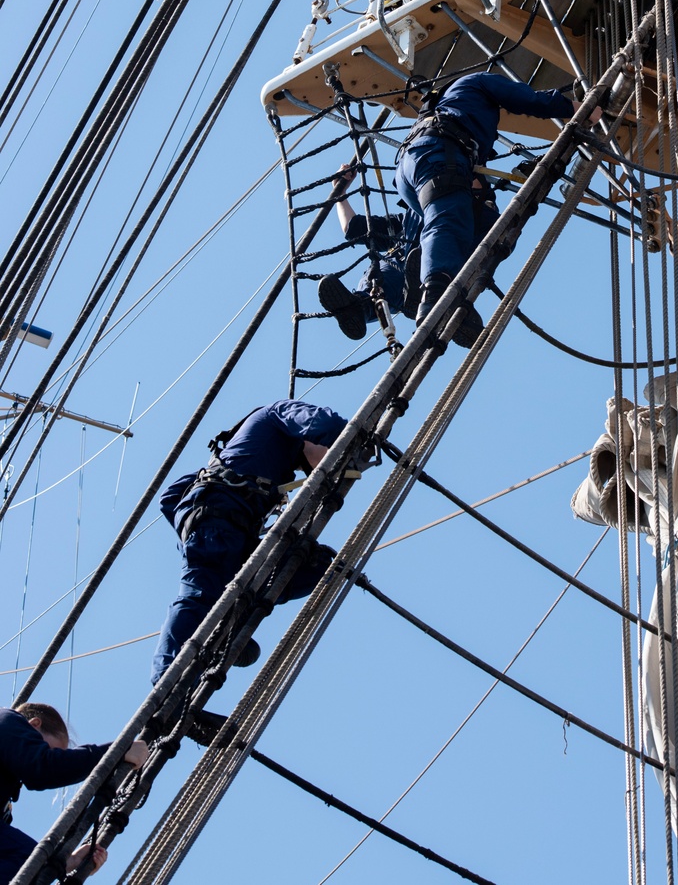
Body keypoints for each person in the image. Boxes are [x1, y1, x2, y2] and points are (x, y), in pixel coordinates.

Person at [151, 400, 349, 684]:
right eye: (329, 453)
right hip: (220, 521)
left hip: (231, 530)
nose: (329, 461)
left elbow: (170, 498)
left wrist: (191, 526)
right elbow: (329, 426)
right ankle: (166, 682)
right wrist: (355, 435)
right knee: (200, 593)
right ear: (306, 435)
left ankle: (228, 625)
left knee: (313, 566)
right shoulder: (275, 414)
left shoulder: (267, 462)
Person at [396, 73, 601, 344]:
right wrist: (581, 110)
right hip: (439, 152)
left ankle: (451, 289)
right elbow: (527, 99)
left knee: (487, 224)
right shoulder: (477, 82)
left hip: (414, 169)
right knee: (449, 218)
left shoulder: (447, 106)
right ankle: (433, 294)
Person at [0, 703, 147, 884]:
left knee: (30, 865)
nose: (55, 757)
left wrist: (67, 861)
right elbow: (43, 766)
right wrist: (115, 752)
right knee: (28, 862)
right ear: (34, 724)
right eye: (50, 750)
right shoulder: (8, 720)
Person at [317, 162, 421, 338]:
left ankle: (418, 295)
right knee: (374, 286)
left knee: (390, 284)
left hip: (421, 269)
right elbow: (353, 228)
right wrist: (340, 193)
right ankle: (356, 308)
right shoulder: (404, 221)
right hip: (388, 276)